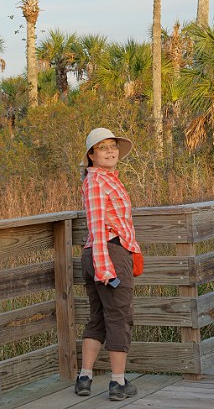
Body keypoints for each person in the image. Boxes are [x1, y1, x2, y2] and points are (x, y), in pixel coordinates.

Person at [74, 127, 141, 401]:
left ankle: (85, 377)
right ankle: (117, 382)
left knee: (100, 316)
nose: (111, 151)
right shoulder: (97, 181)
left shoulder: (107, 179)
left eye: (113, 145)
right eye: (103, 147)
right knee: (119, 317)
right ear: (91, 155)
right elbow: (98, 226)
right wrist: (105, 267)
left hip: (102, 252)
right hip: (107, 253)